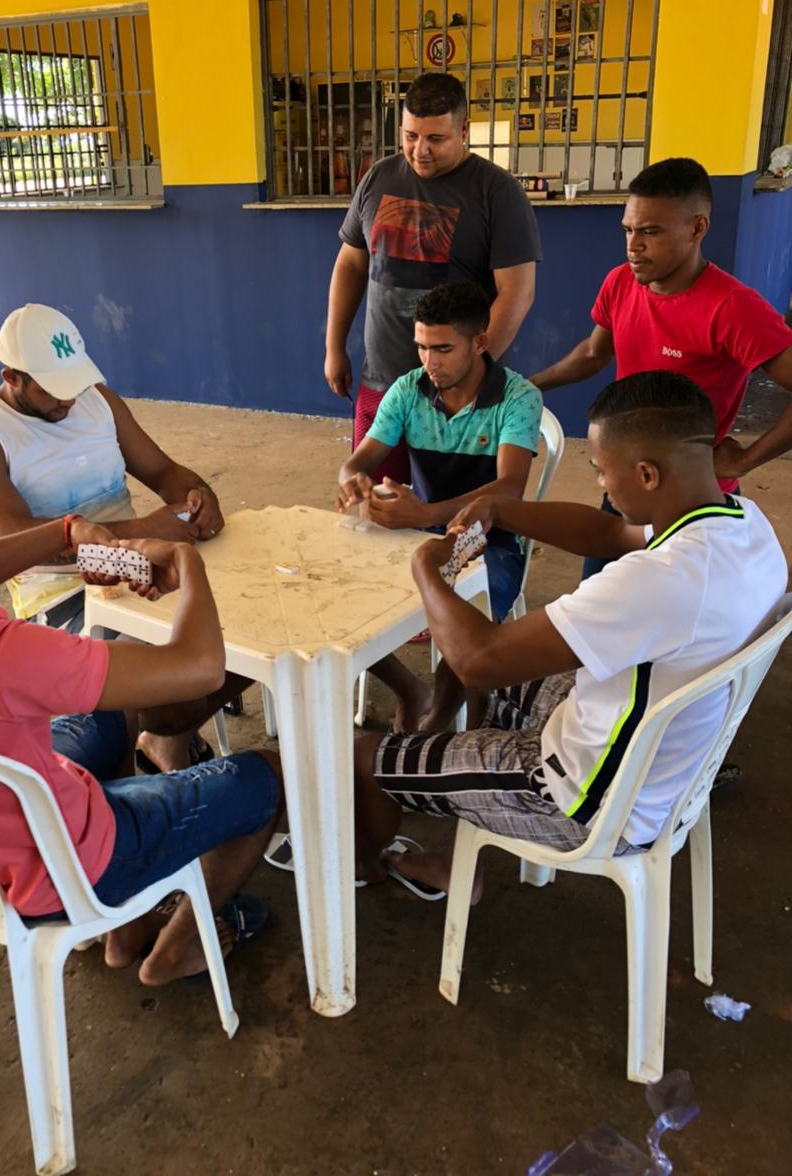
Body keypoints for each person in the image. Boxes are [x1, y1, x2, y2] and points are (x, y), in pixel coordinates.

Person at [0, 404, 282, 986]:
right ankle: (178, 948)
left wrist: (67, 530)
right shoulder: (0, 652)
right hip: (67, 867)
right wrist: (185, 562)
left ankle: (129, 928)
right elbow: (198, 667)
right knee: (262, 778)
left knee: (106, 720)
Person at [353, 372, 787, 896]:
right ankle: (458, 798)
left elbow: (478, 658)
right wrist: (502, 508)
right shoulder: (742, 523)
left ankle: (371, 864)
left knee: (366, 757)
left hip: (581, 798)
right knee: (480, 676)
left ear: (647, 474)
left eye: (602, 472)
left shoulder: (658, 582)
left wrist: (425, 564)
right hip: (650, 755)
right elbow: (609, 532)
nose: (601, 485)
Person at [0, 302, 248, 769]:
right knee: (173, 663)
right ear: (11, 377)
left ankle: (168, 735)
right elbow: (12, 541)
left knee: (252, 611)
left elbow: (161, 469)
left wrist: (198, 495)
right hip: (58, 587)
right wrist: (142, 531)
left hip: (138, 560)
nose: (69, 400)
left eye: (74, 384)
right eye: (54, 390)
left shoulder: (96, 399)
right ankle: (163, 735)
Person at [530, 157, 792, 578]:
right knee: (598, 604)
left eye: (650, 232)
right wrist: (530, 386)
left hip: (693, 502)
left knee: (683, 627)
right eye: (629, 230)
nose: (633, 246)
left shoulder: (733, 308)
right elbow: (594, 354)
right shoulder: (620, 282)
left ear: (697, 228)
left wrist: (745, 461)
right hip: (622, 488)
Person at [337, 280, 542, 729]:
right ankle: (410, 690)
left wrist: (428, 514)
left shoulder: (518, 397)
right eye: (422, 347)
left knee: (470, 625)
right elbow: (360, 460)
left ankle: (439, 724)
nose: (430, 361)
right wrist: (353, 481)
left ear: (480, 342)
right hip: (417, 535)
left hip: (493, 541)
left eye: (443, 348)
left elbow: (509, 488)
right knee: (338, 595)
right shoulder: (408, 389)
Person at [325, 71, 542, 483]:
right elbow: (350, 265)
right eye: (409, 136)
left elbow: (517, 293)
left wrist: (468, 376)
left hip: (460, 394)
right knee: (374, 507)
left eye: (435, 139)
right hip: (384, 382)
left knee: (458, 523)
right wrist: (334, 346)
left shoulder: (497, 192)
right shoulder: (378, 178)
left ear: (463, 130)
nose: (419, 151)